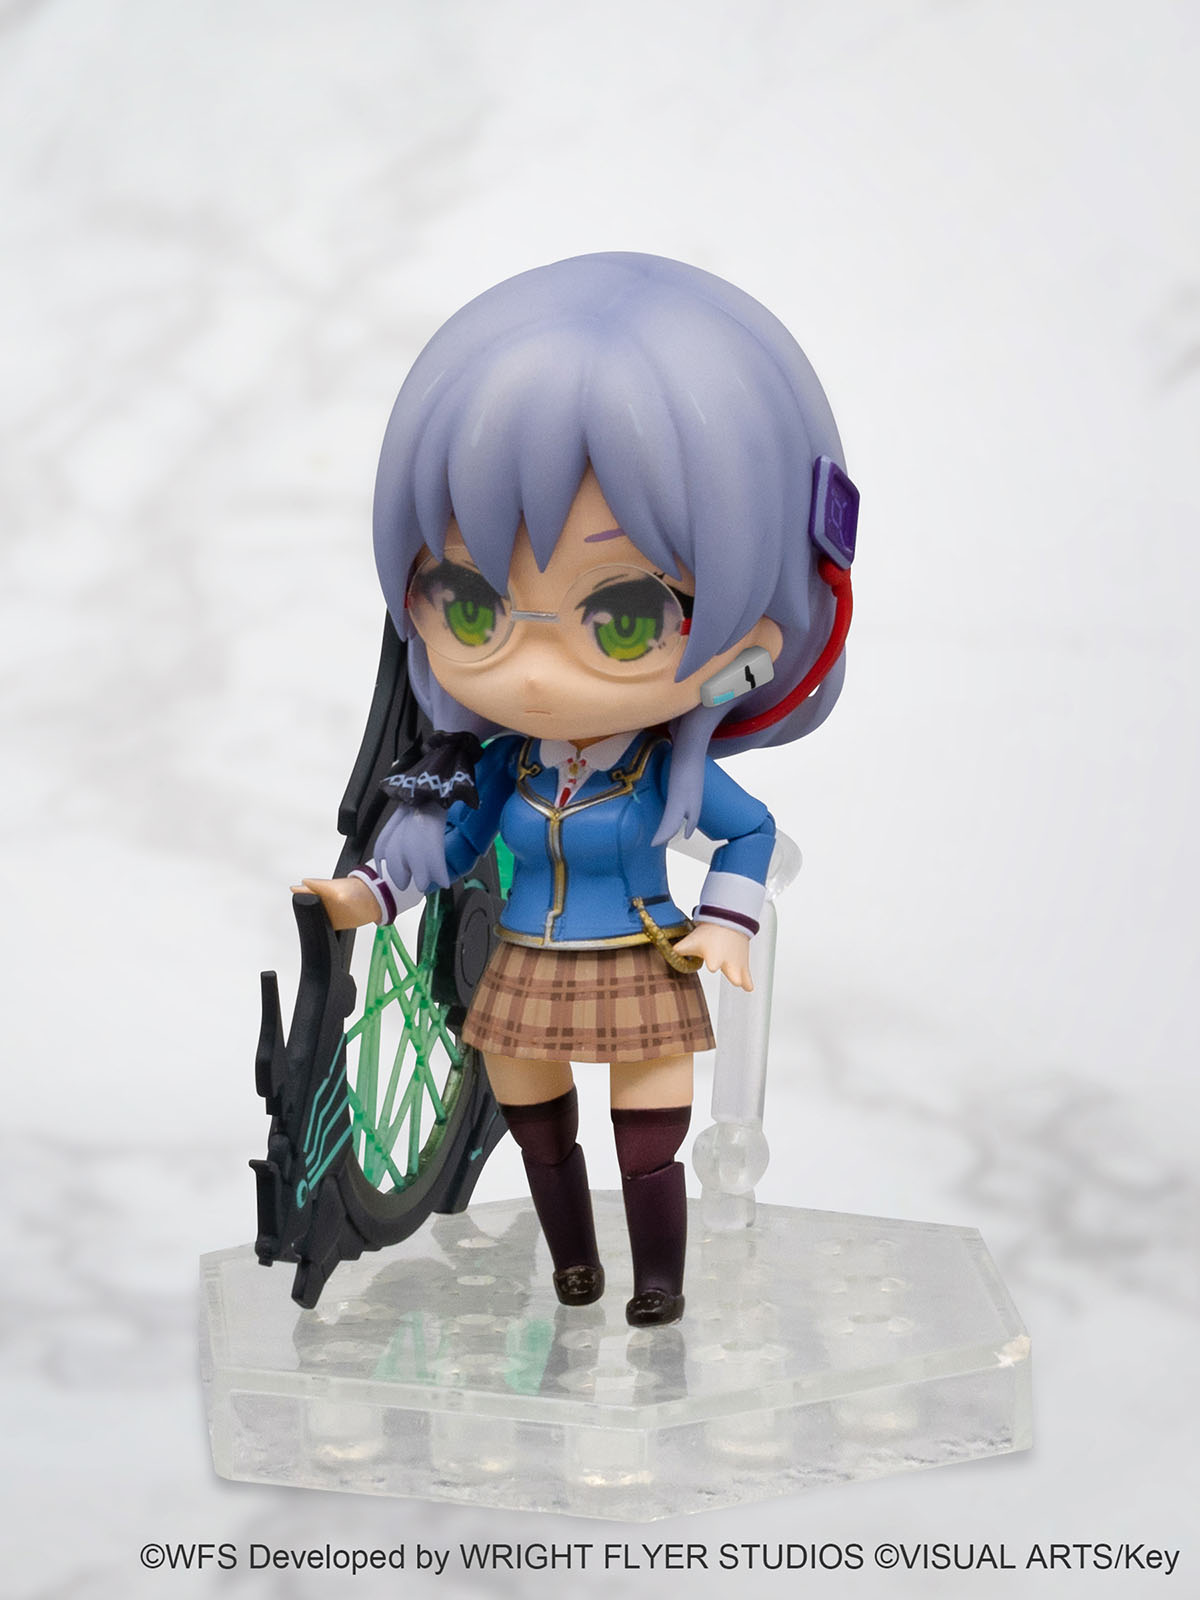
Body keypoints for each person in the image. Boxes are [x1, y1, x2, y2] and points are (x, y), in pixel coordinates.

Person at [298, 252, 858, 1326]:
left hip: (640, 954)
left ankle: (660, 1281)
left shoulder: (659, 769)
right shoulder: (504, 763)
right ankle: (573, 1268)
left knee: (647, 1131)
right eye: (471, 606)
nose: (534, 674)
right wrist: (368, 894)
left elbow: (749, 835)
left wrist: (728, 924)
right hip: (526, 964)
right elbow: (452, 844)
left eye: (629, 619)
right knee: (536, 1121)